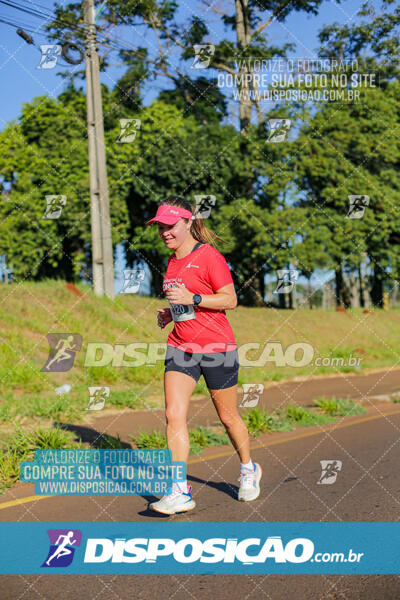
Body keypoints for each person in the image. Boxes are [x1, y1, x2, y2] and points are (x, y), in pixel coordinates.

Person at [145, 196, 262, 515]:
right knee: (173, 414)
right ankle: (179, 491)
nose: (164, 232)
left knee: (227, 417)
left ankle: (249, 468)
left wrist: (193, 297)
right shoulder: (171, 262)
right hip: (181, 346)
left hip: (216, 348)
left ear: (187, 222)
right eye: (160, 227)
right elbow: (185, 303)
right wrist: (172, 313)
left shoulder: (209, 256)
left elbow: (230, 300)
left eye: (170, 226)